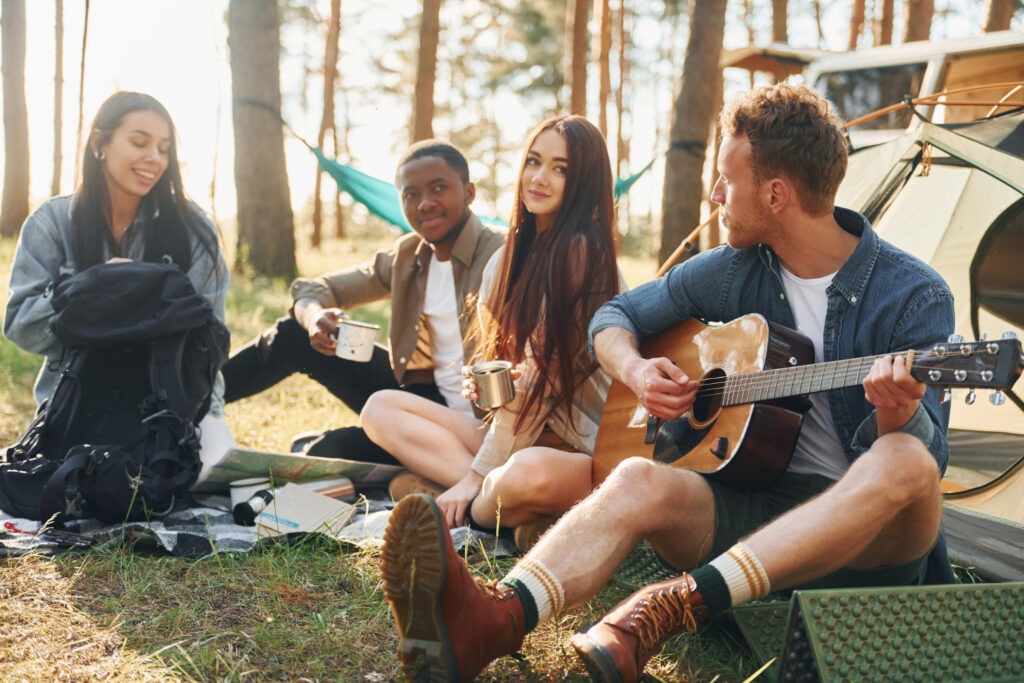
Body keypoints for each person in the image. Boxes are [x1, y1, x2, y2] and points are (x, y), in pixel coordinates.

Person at [378, 83, 955, 683]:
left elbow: (929, 458)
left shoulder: (912, 294)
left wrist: (896, 415)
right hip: (761, 506)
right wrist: (635, 369)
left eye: (726, 181)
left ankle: (675, 602)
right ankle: (491, 618)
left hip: (873, 543)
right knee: (634, 477)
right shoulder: (736, 269)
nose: (715, 195)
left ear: (776, 194)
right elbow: (615, 317)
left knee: (905, 460)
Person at [360, 115, 622, 532]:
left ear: (584, 180)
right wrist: (485, 387)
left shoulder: (582, 254)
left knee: (521, 476)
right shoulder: (506, 257)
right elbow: (514, 380)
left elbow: (540, 388)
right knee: (379, 408)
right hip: (516, 432)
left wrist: (476, 476)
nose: (539, 177)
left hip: (578, 447)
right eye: (534, 161)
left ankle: (469, 501)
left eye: (560, 168)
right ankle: (511, 514)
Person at [221, 141, 504, 467]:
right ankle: (192, 407)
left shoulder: (504, 254)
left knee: (324, 453)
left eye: (439, 188)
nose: (425, 203)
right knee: (295, 333)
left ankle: (330, 446)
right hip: (425, 398)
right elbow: (313, 288)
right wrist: (314, 319)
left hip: (484, 419)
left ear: (469, 193)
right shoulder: (408, 256)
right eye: (411, 194)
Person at [4, 91, 233, 477]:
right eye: (139, 142)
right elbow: (21, 326)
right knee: (75, 486)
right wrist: (94, 288)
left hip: (172, 414)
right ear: (100, 144)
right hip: (79, 410)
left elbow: (210, 341)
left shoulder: (193, 229)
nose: (154, 159)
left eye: (164, 148)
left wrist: (208, 423)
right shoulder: (52, 223)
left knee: (206, 479)